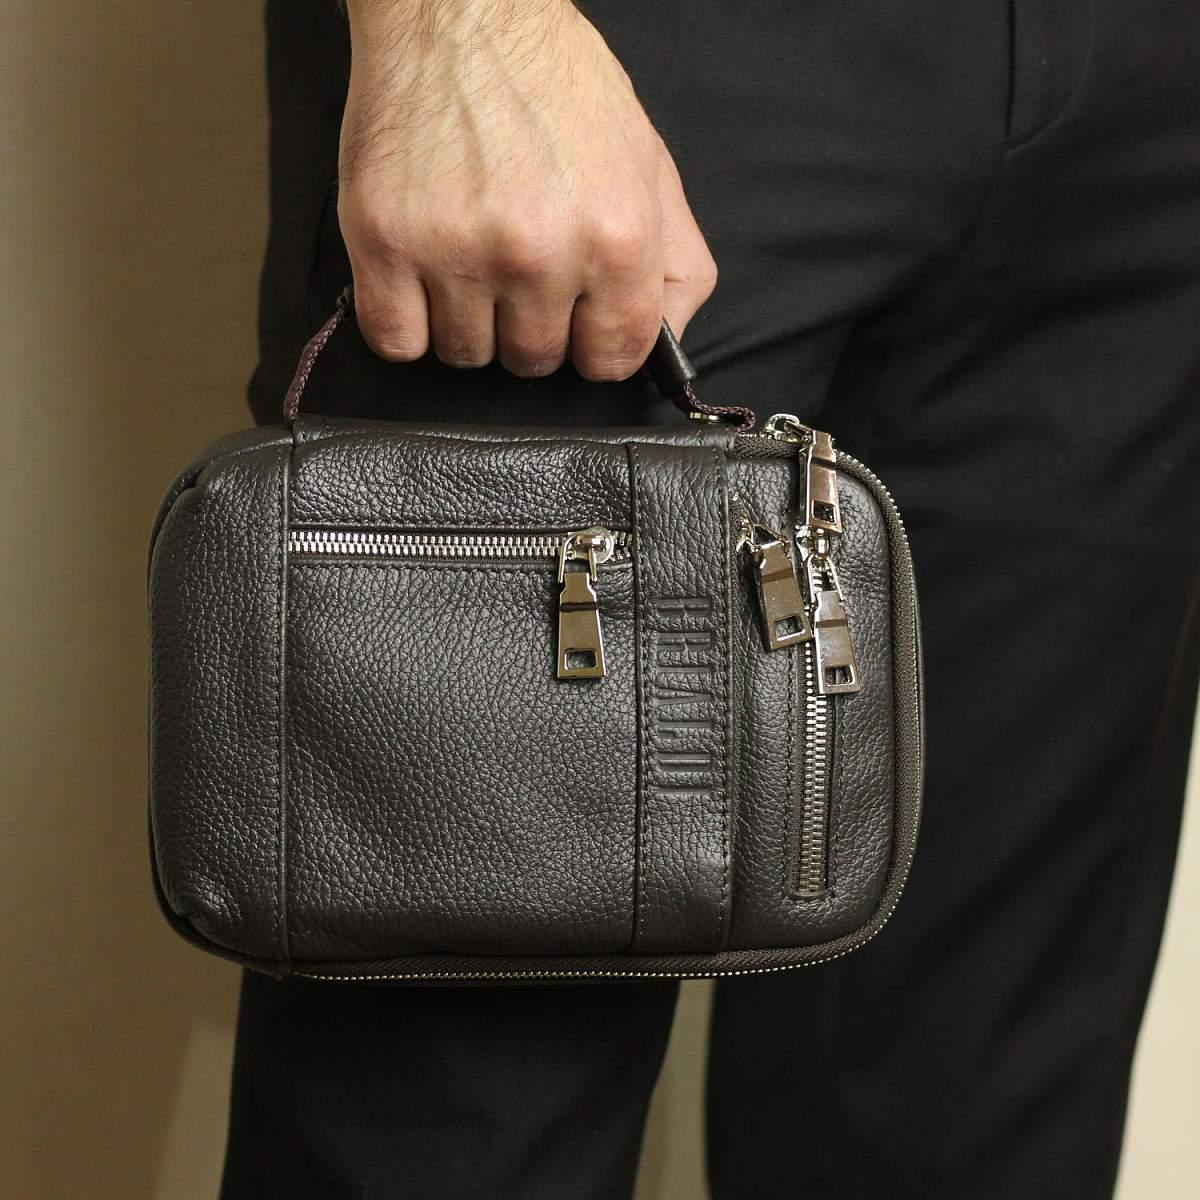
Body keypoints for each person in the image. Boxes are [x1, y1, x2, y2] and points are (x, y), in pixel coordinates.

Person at [222, 2, 1200, 1196]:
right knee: (454, 1108)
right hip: (622, 53)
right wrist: (455, 26)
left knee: (979, 1111)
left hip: (1154, 102)